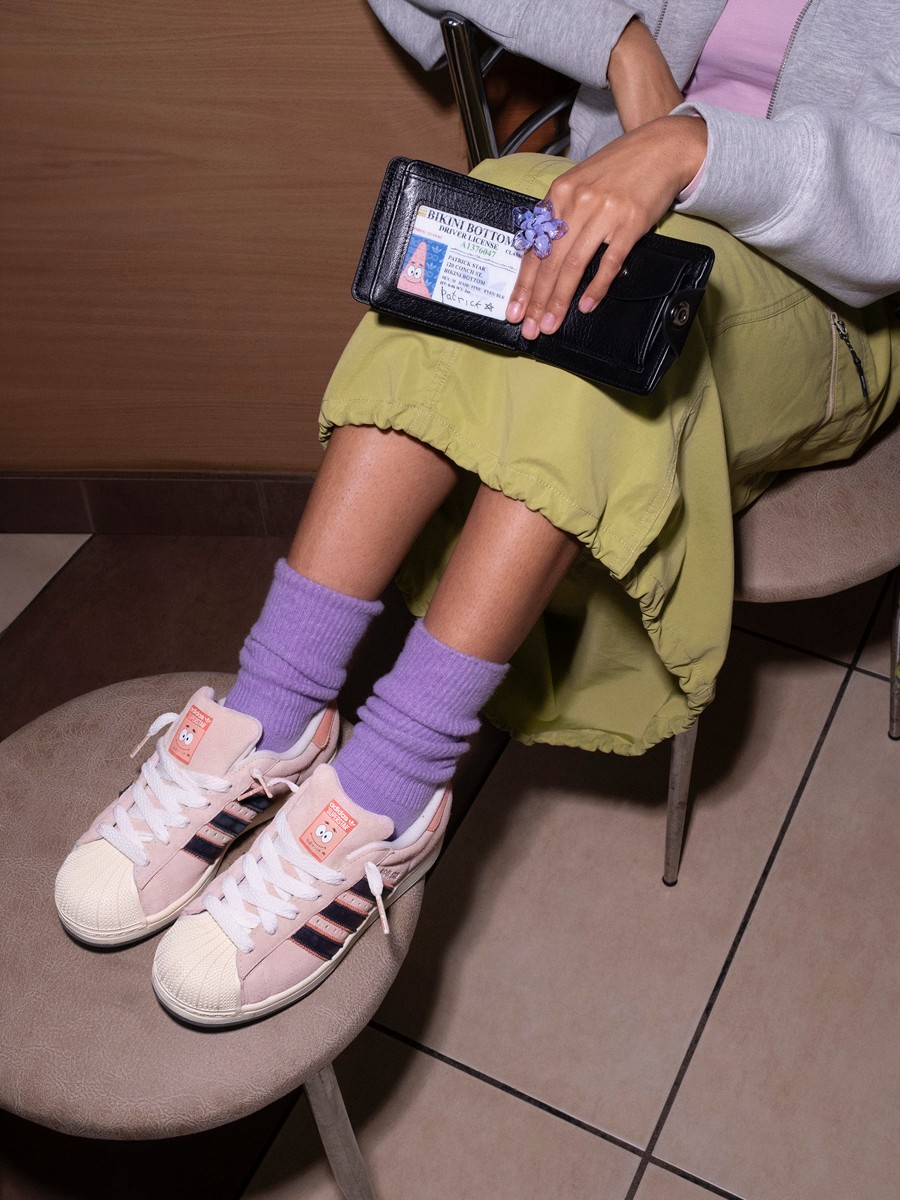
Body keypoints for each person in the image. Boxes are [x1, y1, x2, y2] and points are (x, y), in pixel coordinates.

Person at [55, 0, 899, 1027]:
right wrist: (622, 41)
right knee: (484, 227)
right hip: (592, 208)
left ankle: (395, 781)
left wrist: (693, 148)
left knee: (586, 308)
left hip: (825, 294)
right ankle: (273, 709)